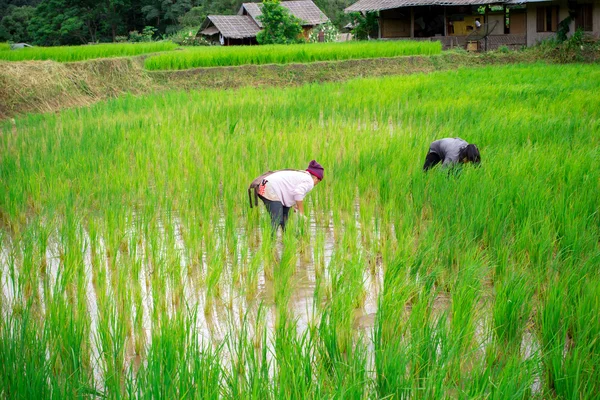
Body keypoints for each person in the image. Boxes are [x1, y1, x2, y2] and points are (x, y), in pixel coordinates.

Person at [253, 160, 324, 231]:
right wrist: (301, 213)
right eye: (318, 182)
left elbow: (290, 188)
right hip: (270, 188)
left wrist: (295, 206)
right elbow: (298, 193)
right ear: (316, 178)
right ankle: (270, 240)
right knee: (277, 219)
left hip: (265, 185)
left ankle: (286, 239)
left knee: (285, 218)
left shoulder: (302, 175)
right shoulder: (309, 181)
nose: (315, 184)